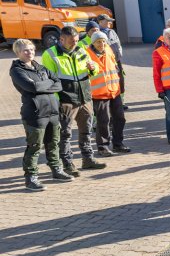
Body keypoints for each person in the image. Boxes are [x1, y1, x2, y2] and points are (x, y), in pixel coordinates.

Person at [41, 26, 105, 175]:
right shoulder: (50, 55)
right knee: (65, 134)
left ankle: (88, 159)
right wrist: (57, 102)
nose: (75, 43)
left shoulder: (81, 50)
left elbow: (93, 70)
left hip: (84, 97)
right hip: (65, 100)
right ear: (61, 39)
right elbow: (49, 81)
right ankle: (68, 164)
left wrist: (92, 67)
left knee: (86, 131)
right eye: (71, 41)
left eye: (76, 40)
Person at [12, 38, 71, 190]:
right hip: (35, 114)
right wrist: (47, 84)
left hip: (52, 112)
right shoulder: (17, 70)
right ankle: (31, 177)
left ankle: (56, 170)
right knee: (34, 146)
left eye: (31, 49)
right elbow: (32, 87)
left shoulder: (41, 68)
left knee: (53, 144)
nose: (30, 52)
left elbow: (58, 83)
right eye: (26, 50)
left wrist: (42, 86)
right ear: (18, 52)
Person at [86, 31, 129, 156]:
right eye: (99, 42)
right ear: (93, 43)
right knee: (103, 121)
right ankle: (103, 146)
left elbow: (115, 68)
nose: (102, 44)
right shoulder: (87, 54)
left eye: (104, 41)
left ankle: (118, 144)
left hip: (114, 91)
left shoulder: (109, 50)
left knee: (120, 118)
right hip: (99, 93)